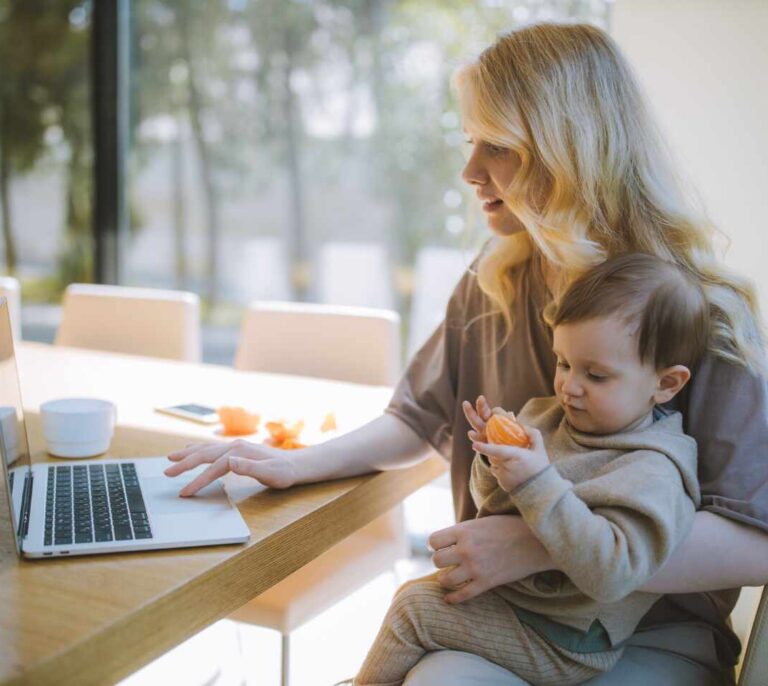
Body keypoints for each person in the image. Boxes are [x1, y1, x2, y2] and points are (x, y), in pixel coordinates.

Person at [165, 22, 768, 684]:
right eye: (469, 141)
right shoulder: (497, 278)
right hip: (513, 612)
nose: (470, 170)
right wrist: (296, 463)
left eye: (498, 147)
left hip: (653, 634)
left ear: (570, 152)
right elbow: (418, 419)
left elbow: (753, 542)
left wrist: (539, 545)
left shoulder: (700, 315)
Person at [353, 253, 706, 686]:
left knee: (413, 611)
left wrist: (536, 481)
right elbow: (495, 506)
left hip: (568, 640)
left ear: (666, 384)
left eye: (595, 375)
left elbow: (613, 574)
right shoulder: (550, 416)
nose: (569, 387)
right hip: (522, 606)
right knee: (417, 598)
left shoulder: (653, 468)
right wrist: (495, 459)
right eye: (563, 363)